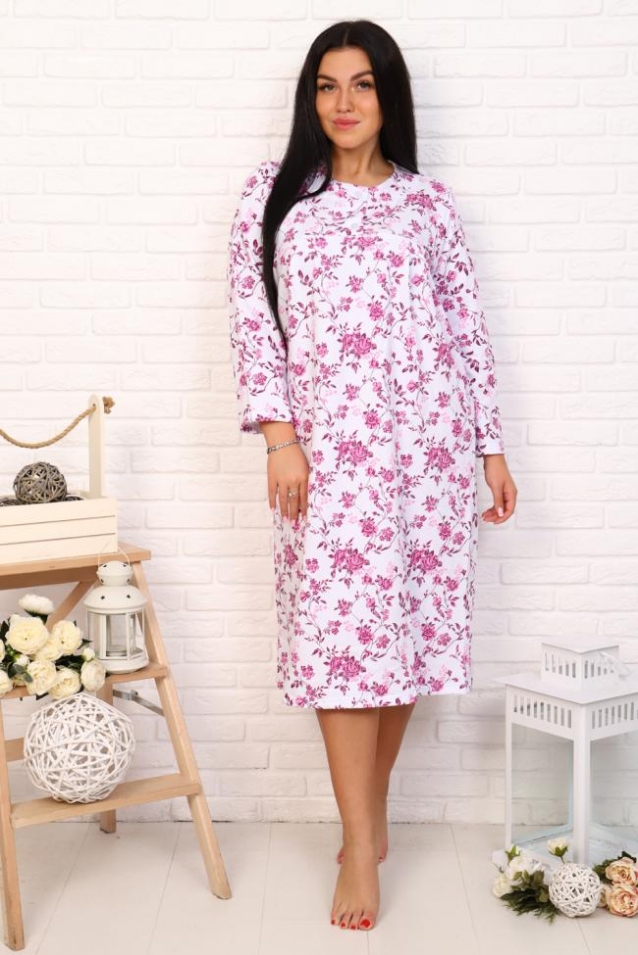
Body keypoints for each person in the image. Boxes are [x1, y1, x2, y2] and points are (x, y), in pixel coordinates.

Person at [227, 18, 517, 934]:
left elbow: (465, 329)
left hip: (427, 449)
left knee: (406, 635)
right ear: (309, 98)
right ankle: (360, 843)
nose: (343, 102)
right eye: (327, 85)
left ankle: (367, 815)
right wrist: (280, 437)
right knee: (341, 640)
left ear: (389, 97)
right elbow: (252, 320)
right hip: (327, 454)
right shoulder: (276, 195)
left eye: (362, 84)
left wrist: (490, 447)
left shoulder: (428, 205)